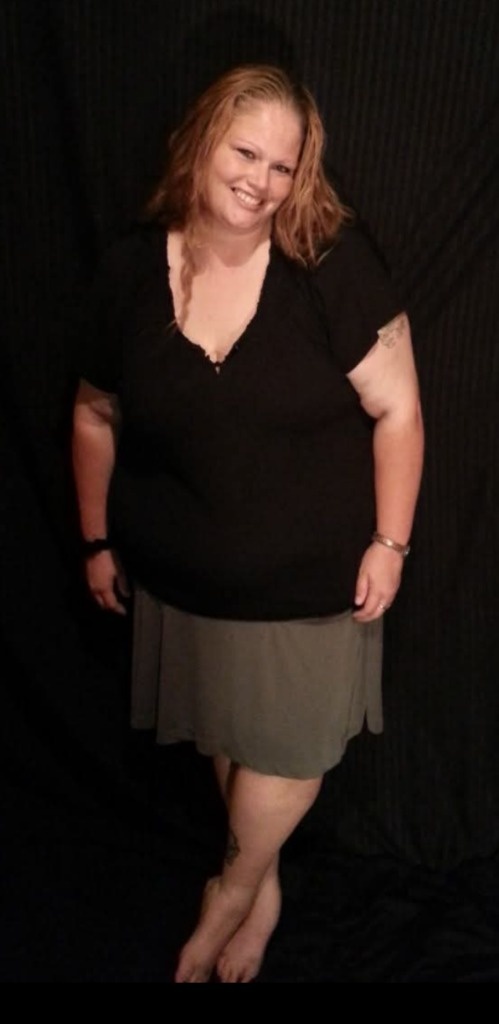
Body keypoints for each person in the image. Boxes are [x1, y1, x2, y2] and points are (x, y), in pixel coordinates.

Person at [72, 64, 424, 983]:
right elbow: (95, 414)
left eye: (282, 165)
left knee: (287, 751)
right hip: (180, 577)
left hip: (310, 585)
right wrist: (96, 539)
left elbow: (399, 411)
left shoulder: (329, 263)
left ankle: (225, 897)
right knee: (230, 739)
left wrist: (390, 542)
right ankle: (260, 890)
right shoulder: (130, 270)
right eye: (245, 153)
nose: (260, 181)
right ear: (201, 141)